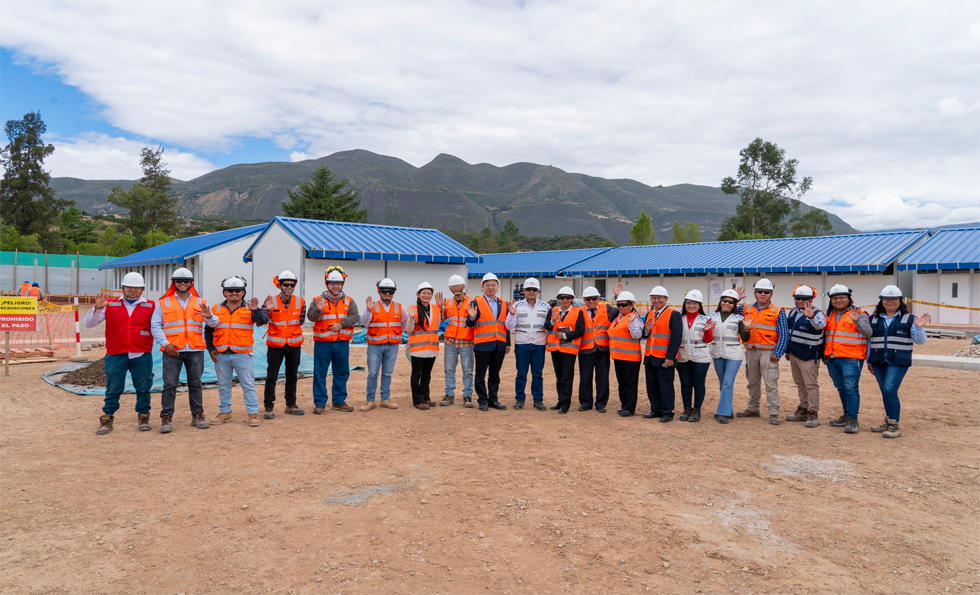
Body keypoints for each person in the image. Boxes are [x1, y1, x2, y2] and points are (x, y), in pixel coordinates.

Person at [87, 272, 156, 435]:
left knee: (144, 386)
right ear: (122, 288)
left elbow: (160, 326)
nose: (133, 290)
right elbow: (89, 324)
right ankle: (107, 418)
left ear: (142, 289)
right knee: (113, 387)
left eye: (137, 288)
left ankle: (143, 416)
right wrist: (97, 308)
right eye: (130, 287)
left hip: (141, 353)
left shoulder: (152, 306)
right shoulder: (109, 305)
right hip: (116, 353)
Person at [150, 267, 213, 433]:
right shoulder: (164, 302)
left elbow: (213, 324)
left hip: (194, 350)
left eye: (186, 281)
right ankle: (166, 417)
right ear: (174, 283)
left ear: (191, 283)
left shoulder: (201, 302)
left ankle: (197, 415)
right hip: (172, 350)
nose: (183, 283)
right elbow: (155, 326)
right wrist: (165, 344)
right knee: (169, 384)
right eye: (179, 281)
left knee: (195, 384)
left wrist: (209, 317)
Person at [205, 276, 272, 427]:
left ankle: (253, 414)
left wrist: (256, 310)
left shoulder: (250, 308)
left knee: (248, 385)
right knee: (223, 385)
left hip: (243, 354)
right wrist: (210, 348)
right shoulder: (215, 309)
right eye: (230, 290)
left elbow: (262, 321)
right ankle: (225, 412)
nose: (233, 293)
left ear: (243, 292)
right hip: (221, 354)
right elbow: (208, 330)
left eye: (237, 290)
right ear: (224, 292)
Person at [867, 285, 930, 439]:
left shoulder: (909, 319)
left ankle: (894, 425)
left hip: (898, 360)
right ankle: (889, 421)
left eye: (894, 299)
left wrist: (919, 328)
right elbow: (869, 341)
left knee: (889, 390)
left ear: (900, 301)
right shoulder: (873, 318)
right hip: (878, 360)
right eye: (886, 299)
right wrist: (868, 360)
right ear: (881, 302)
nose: (890, 302)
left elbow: (920, 341)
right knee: (886, 391)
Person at [307, 266, 360, 413]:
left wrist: (341, 324)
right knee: (320, 373)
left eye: (338, 283)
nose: (335, 286)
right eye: (332, 283)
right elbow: (311, 317)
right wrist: (318, 310)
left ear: (342, 284)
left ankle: (338, 401)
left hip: (342, 343)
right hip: (323, 344)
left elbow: (355, 316)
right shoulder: (318, 300)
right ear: (327, 284)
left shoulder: (349, 301)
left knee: (342, 372)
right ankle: (320, 403)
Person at [736, 279, 788, 425]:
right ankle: (753, 408)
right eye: (759, 291)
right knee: (752, 382)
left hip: (768, 352)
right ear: (755, 293)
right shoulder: (745, 308)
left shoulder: (778, 311)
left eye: (766, 292)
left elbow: (783, 333)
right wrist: (735, 300)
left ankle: (773, 412)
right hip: (751, 351)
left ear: (771, 294)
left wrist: (778, 353)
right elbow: (726, 310)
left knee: (770, 383)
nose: (762, 294)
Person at [823, 284, 872, 434]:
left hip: (851, 358)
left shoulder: (860, 313)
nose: (838, 300)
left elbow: (868, 333)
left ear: (849, 299)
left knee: (851, 388)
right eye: (835, 298)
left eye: (842, 297)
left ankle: (852, 419)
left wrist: (857, 321)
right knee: (841, 388)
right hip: (832, 358)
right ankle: (846, 415)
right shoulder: (829, 315)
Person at [263, 270, 307, 419]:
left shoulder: (300, 301)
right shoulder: (271, 301)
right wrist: (266, 310)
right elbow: (261, 319)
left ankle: (290, 405)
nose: (289, 287)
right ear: (280, 285)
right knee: (272, 376)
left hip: (294, 345)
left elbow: (300, 321)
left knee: (292, 376)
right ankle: (268, 407)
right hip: (275, 345)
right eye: (286, 284)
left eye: (292, 284)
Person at [359, 278, 406, 411]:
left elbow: (404, 323)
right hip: (375, 345)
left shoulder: (399, 307)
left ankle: (385, 399)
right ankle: (370, 400)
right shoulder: (372, 306)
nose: (387, 294)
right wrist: (368, 311)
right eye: (385, 291)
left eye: (390, 292)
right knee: (373, 373)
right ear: (379, 291)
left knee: (387, 373)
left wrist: (396, 334)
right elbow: (363, 323)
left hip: (392, 345)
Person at [466, 272, 510, 411]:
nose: (490, 288)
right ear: (482, 287)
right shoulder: (476, 302)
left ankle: (493, 400)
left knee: (494, 375)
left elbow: (505, 324)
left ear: (497, 286)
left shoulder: (503, 303)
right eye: (487, 285)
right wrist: (472, 318)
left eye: (493, 285)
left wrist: (507, 342)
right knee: (480, 375)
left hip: (499, 344)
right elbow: (469, 324)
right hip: (483, 344)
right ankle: (482, 400)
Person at [505, 277, 550, 410]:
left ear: (538, 291)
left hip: (539, 344)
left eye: (534, 289)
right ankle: (519, 399)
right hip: (522, 344)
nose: (531, 291)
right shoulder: (517, 306)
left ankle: (538, 399)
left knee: (537, 373)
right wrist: (512, 314)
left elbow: (548, 326)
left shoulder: (545, 306)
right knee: (521, 373)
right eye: (528, 289)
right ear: (523, 291)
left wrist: (546, 341)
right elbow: (508, 326)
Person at [784, 285, 826, 428]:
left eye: (804, 299)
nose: (801, 301)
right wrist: (788, 351)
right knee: (800, 384)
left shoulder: (817, 313)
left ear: (811, 299)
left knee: (810, 385)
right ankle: (803, 408)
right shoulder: (793, 313)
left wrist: (811, 316)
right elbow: (790, 333)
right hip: (795, 355)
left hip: (808, 356)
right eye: (798, 298)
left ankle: (812, 412)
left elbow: (821, 325)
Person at [642, 286, 683, 422]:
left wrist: (670, 357)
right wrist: (646, 331)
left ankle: (667, 412)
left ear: (666, 299)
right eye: (653, 298)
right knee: (652, 385)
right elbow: (645, 334)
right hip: (650, 356)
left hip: (665, 358)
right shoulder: (649, 314)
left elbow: (676, 337)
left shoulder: (673, 314)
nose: (656, 300)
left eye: (659, 298)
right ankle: (656, 409)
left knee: (665, 386)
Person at [578, 285, 621, 413]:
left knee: (602, 378)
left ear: (599, 298)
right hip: (585, 349)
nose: (591, 301)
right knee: (585, 377)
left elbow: (623, 309)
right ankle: (585, 403)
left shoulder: (607, 308)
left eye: (594, 298)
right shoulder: (578, 311)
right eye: (588, 299)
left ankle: (601, 403)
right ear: (583, 299)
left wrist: (618, 296)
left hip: (602, 349)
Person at [544, 286, 586, 413]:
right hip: (556, 348)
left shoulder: (578, 312)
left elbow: (580, 331)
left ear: (572, 299)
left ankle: (565, 404)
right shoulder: (553, 310)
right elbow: (546, 326)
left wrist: (565, 336)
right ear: (558, 299)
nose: (565, 300)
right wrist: (553, 320)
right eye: (562, 298)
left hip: (569, 349)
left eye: (568, 298)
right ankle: (560, 400)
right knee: (559, 376)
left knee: (567, 377)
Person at [708, 289, 748, 424]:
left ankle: (722, 412)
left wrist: (747, 328)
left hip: (733, 355)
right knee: (723, 383)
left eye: (731, 302)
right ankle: (729, 409)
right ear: (720, 301)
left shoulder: (738, 318)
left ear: (734, 304)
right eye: (724, 300)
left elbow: (745, 338)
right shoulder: (711, 316)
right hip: (717, 353)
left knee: (727, 382)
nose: (727, 303)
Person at [675, 290, 714, 423]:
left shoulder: (705, 319)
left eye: (695, 303)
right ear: (685, 303)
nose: (691, 305)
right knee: (685, 384)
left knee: (698, 384)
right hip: (683, 355)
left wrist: (707, 331)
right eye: (689, 302)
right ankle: (687, 409)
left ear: (700, 305)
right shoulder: (679, 319)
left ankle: (696, 410)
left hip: (700, 357)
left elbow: (709, 340)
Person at [439, 275, 474, 407]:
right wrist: (441, 308)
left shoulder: (472, 301)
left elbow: (475, 320)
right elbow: (442, 320)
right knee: (449, 369)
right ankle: (449, 394)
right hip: (450, 341)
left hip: (466, 341)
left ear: (463, 286)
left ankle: (467, 395)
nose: (455, 289)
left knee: (468, 370)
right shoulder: (448, 302)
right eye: (452, 287)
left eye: (457, 286)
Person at [608, 291, 644, 417]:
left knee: (629, 384)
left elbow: (637, 335)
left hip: (631, 357)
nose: (621, 307)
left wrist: (632, 322)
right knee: (622, 383)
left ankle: (629, 408)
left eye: (624, 305)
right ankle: (624, 405)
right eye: (619, 305)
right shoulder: (618, 318)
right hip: (618, 356)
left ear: (631, 305)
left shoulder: (635, 318)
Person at [409, 282, 441, 409]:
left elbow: (437, 326)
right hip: (418, 348)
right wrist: (411, 318)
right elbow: (409, 329)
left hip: (431, 347)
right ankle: (417, 400)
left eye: (429, 293)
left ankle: (425, 397)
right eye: (424, 293)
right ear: (418, 294)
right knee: (416, 375)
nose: (426, 295)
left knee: (427, 374)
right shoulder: (413, 308)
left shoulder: (436, 309)